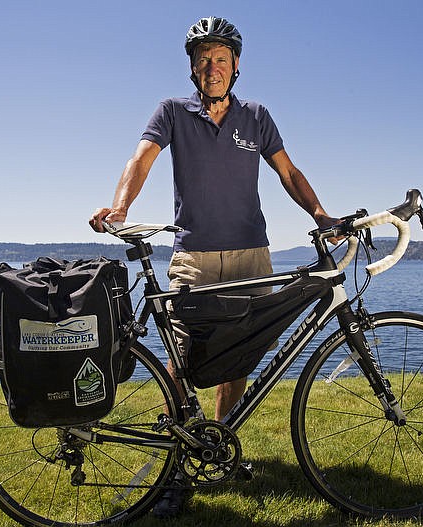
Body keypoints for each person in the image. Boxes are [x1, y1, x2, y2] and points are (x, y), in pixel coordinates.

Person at [90, 16, 338, 517]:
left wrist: (319, 213)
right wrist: (120, 208)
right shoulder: (172, 112)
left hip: (251, 254)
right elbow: (140, 160)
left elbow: (288, 171)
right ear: (192, 68)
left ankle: (218, 446)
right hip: (194, 258)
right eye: (202, 58)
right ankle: (174, 472)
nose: (212, 66)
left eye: (221, 58)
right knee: (181, 365)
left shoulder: (256, 116)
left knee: (238, 358)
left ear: (236, 66)